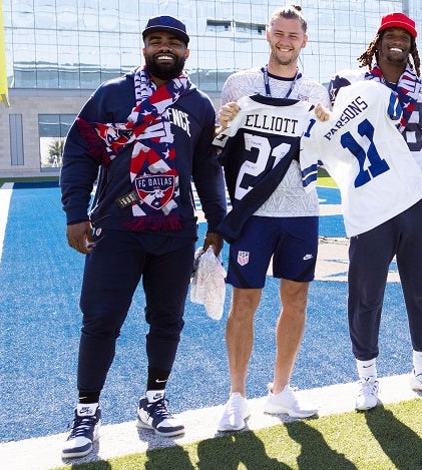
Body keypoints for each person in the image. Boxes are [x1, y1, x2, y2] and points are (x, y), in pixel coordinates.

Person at [59, 15, 226, 458]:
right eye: (156, 41)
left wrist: (217, 224)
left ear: (187, 51)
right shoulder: (111, 95)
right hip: (118, 228)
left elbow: (208, 168)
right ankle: (86, 413)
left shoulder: (198, 104)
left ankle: (153, 401)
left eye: (174, 42)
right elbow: (79, 152)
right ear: (144, 48)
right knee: (101, 321)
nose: (164, 48)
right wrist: (76, 213)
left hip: (175, 231)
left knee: (168, 320)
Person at [326, 12, 422, 410]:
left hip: (416, 200)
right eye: (390, 34)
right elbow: (333, 134)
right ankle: (367, 379)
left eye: (405, 36)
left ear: (412, 44)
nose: (397, 40)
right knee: (366, 294)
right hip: (372, 201)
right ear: (378, 41)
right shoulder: (351, 83)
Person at [212, 5, 328, 433]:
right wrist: (221, 124)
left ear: (304, 40)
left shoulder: (317, 91)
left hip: (302, 211)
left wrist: (325, 128)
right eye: (278, 33)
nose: (285, 40)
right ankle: (237, 396)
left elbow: (326, 151)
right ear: (267, 35)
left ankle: (280, 390)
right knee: (245, 301)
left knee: (296, 300)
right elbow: (218, 147)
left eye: (293, 35)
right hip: (254, 211)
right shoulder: (239, 84)